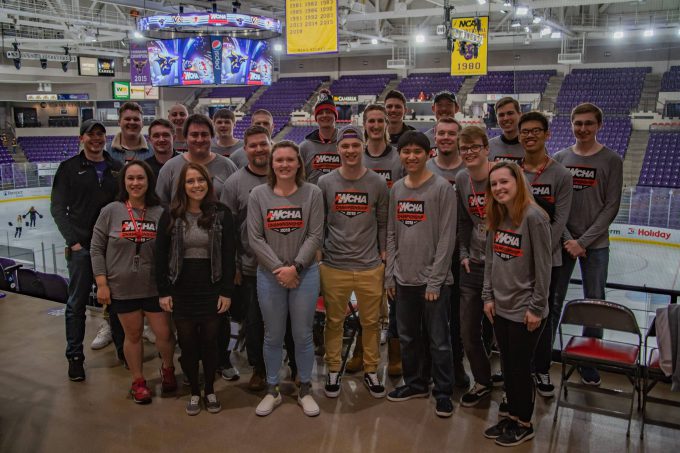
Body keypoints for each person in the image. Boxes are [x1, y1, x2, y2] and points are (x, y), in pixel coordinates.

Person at [247, 141, 324, 417]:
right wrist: (280, 269)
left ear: (299, 164)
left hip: (305, 274)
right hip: (270, 275)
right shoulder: (258, 194)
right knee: (273, 335)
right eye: (278, 160)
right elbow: (254, 238)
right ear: (271, 164)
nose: (284, 164)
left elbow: (316, 234)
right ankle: (272, 389)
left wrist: (297, 268)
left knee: (302, 335)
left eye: (290, 160)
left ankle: (305, 388)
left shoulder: (312, 193)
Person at [90, 160, 176, 404]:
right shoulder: (111, 211)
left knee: (164, 333)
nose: (136, 183)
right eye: (131, 178)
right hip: (122, 287)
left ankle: (168, 368)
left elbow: (171, 251)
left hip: (154, 286)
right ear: (124, 182)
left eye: (141, 178)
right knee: (134, 335)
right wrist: (102, 283)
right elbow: (96, 249)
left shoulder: (161, 212)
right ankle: (138, 380)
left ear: (149, 182)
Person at [385, 131, 457, 418]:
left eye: (417, 151)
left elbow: (447, 237)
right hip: (403, 280)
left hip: (433, 283)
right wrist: (390, 275)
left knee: (439, 341)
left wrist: (436, 279)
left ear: (428, 154)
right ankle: (415, 383)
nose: (411, 156)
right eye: (406, 151)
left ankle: (443, 391)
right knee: (408, 337)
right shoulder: (397, 189)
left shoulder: (441, 188)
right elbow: (391, 234)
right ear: (400, 155)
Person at [552, 103, 623, 386]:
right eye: (578, 123)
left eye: (588, 124)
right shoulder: (560, 158)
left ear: (598, 126)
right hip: (564, 241)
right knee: (553, 298)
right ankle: (545, 353)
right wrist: (569, 238)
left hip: (594, 244)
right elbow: (555, 205)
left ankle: (588, 360)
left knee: (595, 300)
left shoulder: (611, 160)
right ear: (571, 125)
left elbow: (611, 206)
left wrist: (583, 241)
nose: (583, 128)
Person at [155, 162, 235, 416]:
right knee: (188, 344)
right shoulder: (171, 214)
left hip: (211, 287)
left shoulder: (222, 213)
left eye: (200, 180)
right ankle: (193, 392)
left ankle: (210, 389)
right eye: (190, 181)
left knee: (210, 343)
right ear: (182, 185)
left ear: (208, 183)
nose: (196, 185)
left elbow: (229, 254)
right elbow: (160, 256)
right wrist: (164, 291)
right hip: (181, 288)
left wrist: (226, 291)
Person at [481, 161, 551, 447]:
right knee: (508, 366)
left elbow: (545, 268)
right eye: (494, 184)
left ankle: (524, 422)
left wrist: (536, 307)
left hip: (526, 311)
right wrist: (487, 295)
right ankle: (510, 416)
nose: (499, 188)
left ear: (518, 182)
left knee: (521, 368)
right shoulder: (497, 215)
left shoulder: (535, 217)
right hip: (501, 306)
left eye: (504, 182)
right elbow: (490, 260)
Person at [318, 126, 389, 399]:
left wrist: (383, 254)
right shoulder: (325, 183)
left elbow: (383, 223)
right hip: (335, 264)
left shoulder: (377, 183)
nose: (350, 151)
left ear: (363, 147)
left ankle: (371, 370)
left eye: (355, 146)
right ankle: (333, 368)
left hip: (369, 265)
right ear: (338, 149)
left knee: (371, 322)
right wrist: (320, 256)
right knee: (334, 322)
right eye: (345, 146)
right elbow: (320, 222)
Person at [51, 119, 123, 381]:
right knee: (76, 305)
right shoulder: (69, 168)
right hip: (82, 249)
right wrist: (74, 242)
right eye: (91, 134)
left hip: (111, 249)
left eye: (100, 134)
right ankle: (75, 357)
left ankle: (123, 351)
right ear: (81, 138)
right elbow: (58, 208)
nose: (96, 138)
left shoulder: (117, 167)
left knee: (116, 303)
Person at [517, 111, 573, 398]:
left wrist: (536, 255)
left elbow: (560, 221)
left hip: (547, 259)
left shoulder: (561, 174)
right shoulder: (512, 171)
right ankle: (518, 368)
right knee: (516, 316)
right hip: (514, 259)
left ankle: (541, 368)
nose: (529, 135)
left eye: (535, 130)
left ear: (547, 134)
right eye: (524, 131)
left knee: (543, 313)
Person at [220, 125, 273, 391]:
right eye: (253, 145)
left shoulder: (284, 176)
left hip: (285, 266)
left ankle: (293, 369)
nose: (259, 149)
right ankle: (259, 369)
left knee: (285, 322)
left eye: (263, 144)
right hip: (251, 267)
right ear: (245, 149)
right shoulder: (234, 183)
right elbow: (227, 230)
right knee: (254, 323)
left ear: (270, 144)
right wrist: (235, 266)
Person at [351, 103, 403, 377]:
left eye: (379, 121)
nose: (374, 125)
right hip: (364, 240)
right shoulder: (357, 157)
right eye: (370, 121)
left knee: (394, 300)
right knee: (365, 302)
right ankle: (360, 349)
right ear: (365, 124)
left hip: (395, 236)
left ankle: (395, 353)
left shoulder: (397, 158)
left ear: (386, 124)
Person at [427, 116, 470, 389]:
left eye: (451, 134)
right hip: (430, 254)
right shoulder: (427, 167)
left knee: (457, 318)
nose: (445, 137)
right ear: (435, 136)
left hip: (461, 255)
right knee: (431, 317)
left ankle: (456, 367)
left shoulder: (468, 169)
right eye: (441, 133)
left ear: (459, 138)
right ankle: (432, 369)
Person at [456, 126, 496, 408]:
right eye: (464, 149)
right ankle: (482, 380)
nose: (469, 153)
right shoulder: (461, 178)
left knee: (505, 335)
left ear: (486, 149)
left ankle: (515, 388)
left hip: (503, 268)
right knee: (468, 332)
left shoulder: (504, 175)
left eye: (474, 147)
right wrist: (464, 253)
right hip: (473, 267)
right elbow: (463, 222)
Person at [157, 113, 237, 208]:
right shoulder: (170, 167)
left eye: (204, 134)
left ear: (212, 136)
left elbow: (236, 203)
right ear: (186, 137)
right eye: (194, 135)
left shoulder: (228, 166)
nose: (199, 140)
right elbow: (160, 206)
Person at [300, 89, 340, 184]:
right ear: (316, 118)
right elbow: (299, 178)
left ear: (335, 115)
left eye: (328, 112)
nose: (325, 115)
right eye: (321, 113)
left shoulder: (345, 142)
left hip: (339, 196)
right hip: (313, 197)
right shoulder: (304, 147)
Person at [488, 97, 524, 164]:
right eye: (501, 115)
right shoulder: (489, 146)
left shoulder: (531, 146)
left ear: (519, 115)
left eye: (510, 113)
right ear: (497, 118)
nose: (506, 118)